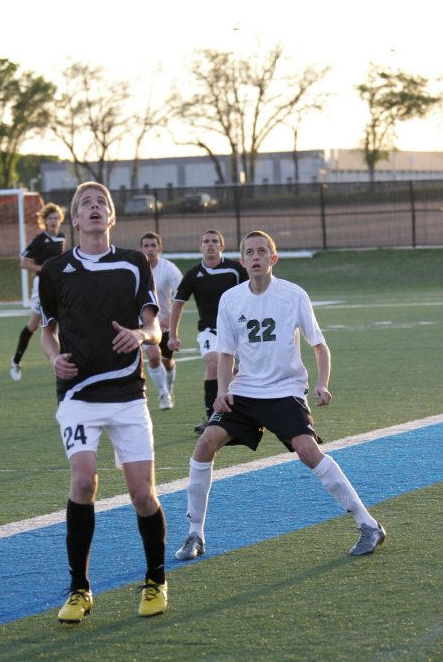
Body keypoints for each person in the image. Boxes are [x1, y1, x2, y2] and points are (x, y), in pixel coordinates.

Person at [175, 230, 386, 561]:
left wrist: (322, 383)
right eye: (250, 253)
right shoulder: (230, 300)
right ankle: (194, 534)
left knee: (307, 450)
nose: (256, 257)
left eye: (262, 251)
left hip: (284, 389)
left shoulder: (293, 295)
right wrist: (222, 391)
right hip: (245, 391)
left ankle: (369, 525)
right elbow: (226, 354)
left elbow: (319, 345)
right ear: (242, 261)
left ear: (273, 258)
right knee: (205, 444)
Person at [39, 182, 168, 622]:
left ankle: (156, 579)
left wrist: (139, 335)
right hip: (77, 395)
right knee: (83, 482)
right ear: (74, 219)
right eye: (86, 204)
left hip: (127, 395)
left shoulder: (133, 264)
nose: (95, 209)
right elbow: (47, 331)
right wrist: (55, 359)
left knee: (142, 494)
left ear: (111, 217)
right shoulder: (54, 271)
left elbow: (156, 329)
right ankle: (79, 589)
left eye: (102, 204)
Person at [168, 229, 248, 435]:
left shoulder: (235, 270)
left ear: (222, 246)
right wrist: (172, 336)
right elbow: (177, 305)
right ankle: (213, 417)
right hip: (209, 331)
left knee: (242, 372)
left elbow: (252, 294)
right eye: (206, 241)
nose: (210, 245)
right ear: (200, 246)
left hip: (238, 331)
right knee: (214, 362)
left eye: (214, 241)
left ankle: (245, 414)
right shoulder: (193, 274)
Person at [10, 203, 65, 381]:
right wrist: (44, 269)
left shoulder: (61, 238)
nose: (54, 221)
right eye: (50, 218)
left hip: (58, 285)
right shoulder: (40, 240)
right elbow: (23, 262)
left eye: (56, 218)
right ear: (45, 221)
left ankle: (61, 364)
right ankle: (16, 360)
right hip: (41, 285)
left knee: (60, 323)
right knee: (34, 325)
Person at [140, 232, 183, 410]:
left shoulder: (169, 268)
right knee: (153, 355)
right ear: (140, 249)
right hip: (144, 324)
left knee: (167, 360)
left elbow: (181, 296)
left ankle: (169, 387)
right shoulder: (136, 270)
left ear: (160, 248)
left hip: (165, 323)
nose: (150, 249)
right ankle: (163, 393)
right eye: (146, 246)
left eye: (153, 246)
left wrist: (168, 318)